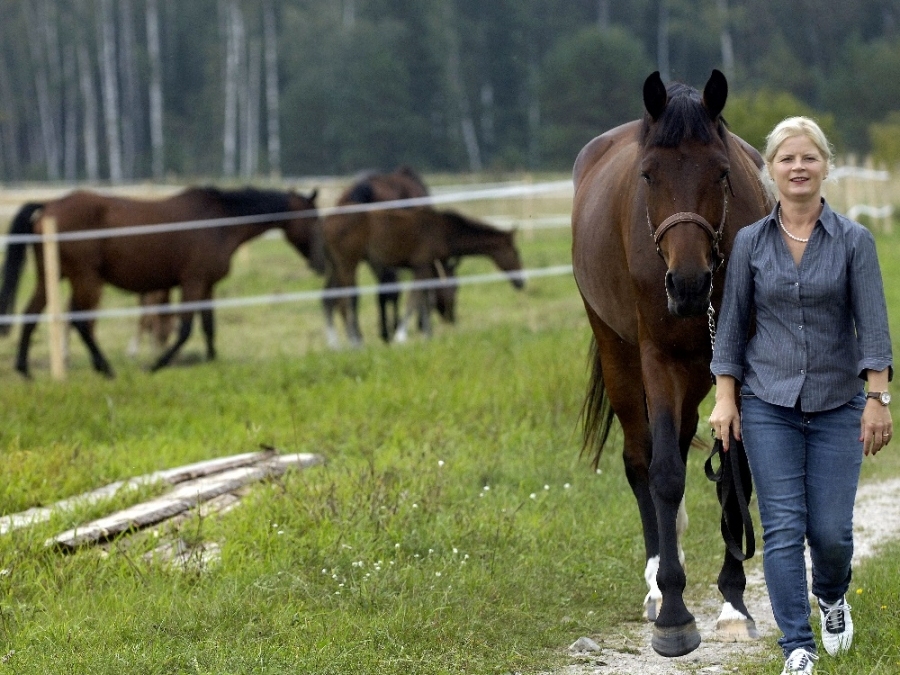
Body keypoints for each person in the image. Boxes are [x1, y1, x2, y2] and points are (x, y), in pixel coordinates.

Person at [708, 116, 893, 675]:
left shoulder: (854, 241)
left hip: (839, 404)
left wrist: (879, 399)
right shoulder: (749, 243)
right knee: (784, 529)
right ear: (770, 170)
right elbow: (733, 326)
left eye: (808, 157)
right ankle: (797, 646)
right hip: (768, 405)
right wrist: (725, 398)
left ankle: (833, 597)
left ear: (825, 167)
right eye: (786, 158)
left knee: (830, 533)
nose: (797, 167)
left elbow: (874, 326)